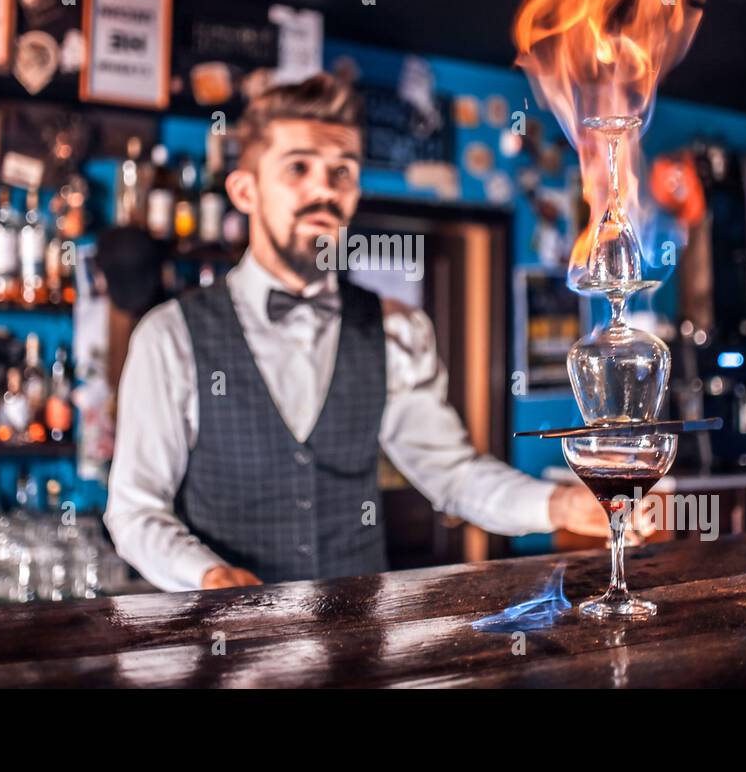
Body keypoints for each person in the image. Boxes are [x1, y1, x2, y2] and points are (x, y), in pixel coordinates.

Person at [105, 73, 619, 591]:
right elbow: (134, 510)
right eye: (298, 168)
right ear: (244, 190)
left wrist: (559, 504)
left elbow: (453, 474)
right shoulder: (169, 336)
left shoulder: (397, 328)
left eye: (342, 172)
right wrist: (208, 574)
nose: (324, 190)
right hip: (229, 651)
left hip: (356, 642)